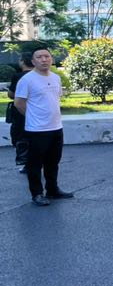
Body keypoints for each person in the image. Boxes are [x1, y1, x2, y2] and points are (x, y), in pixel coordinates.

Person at [13, 47, 74, 207]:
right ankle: (37, 194)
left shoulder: (55, 78)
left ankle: (52, 190)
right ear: (33, 61)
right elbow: (18, 103)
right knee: (34, 164)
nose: (43, 59)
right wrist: (32, 118)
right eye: (39, 57)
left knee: (53, 162)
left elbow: (54, 99)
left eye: (46, 56)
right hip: (36, 130)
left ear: (51, 59)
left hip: (56, 127)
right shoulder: (27, 80)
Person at [7, 55, 34, 173]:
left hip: (21, 112)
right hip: (36, 110)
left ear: (23, 62)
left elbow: (11, 94)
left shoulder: (18, 76)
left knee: (19, 136)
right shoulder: (39, 76)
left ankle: (27, 162)